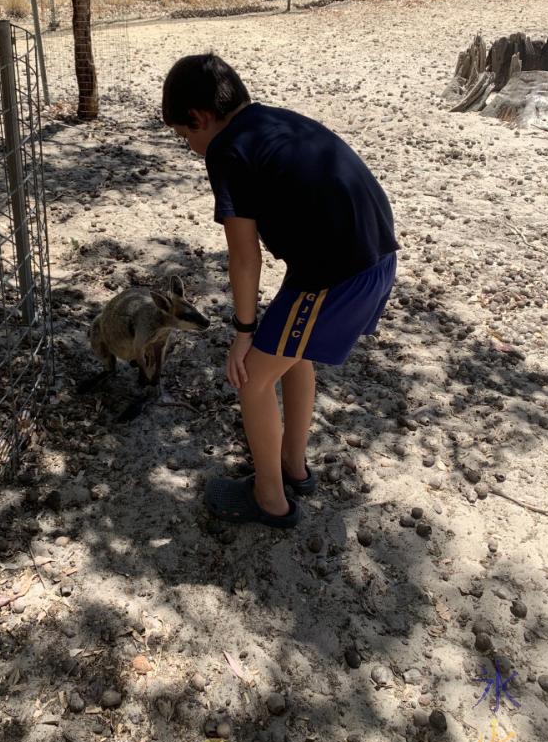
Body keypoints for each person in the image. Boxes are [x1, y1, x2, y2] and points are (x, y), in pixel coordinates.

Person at [162, 53, 398, 528]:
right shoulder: (274, 121)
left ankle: (269, 499)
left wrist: (243, 330)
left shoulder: (226, 149)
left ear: (200, 117)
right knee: (295, 353)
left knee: (251, 375)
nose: (189, 146)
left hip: (337, 275)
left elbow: (244, 257)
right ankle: (293, 468)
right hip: (373, 255)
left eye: (185, 135)